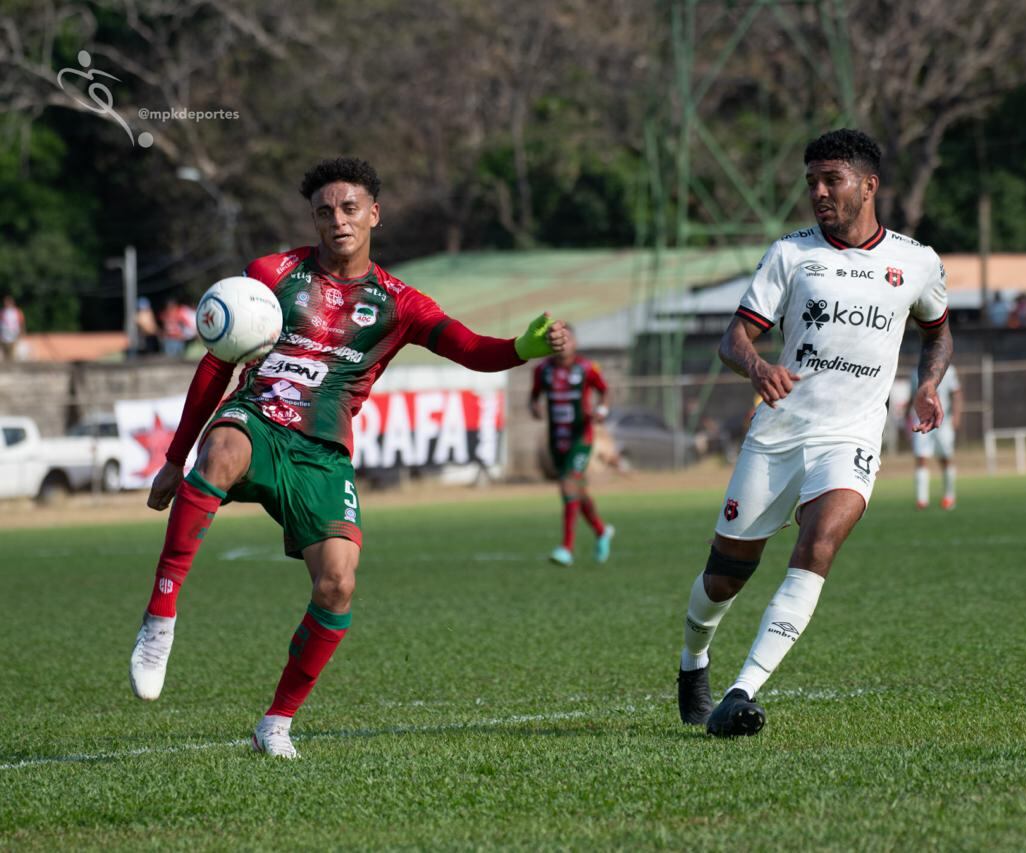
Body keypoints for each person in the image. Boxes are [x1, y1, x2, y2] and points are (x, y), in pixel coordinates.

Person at [128, 157, 567, 758]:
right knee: (224, 449)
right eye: (325, 211)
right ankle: (161, 618)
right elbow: (216, 363)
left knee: (337, 585)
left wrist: (523, 347)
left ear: (374, 215)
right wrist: (176, 459)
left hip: (322, 454)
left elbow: (468, 349)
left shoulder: (399, 304)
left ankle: (275, 723)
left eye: (350, 208)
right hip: (256, 418)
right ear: (313, 218)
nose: (337, 220)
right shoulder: (272, 273)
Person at [674, 129, 952, 737]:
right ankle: (694, 659)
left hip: (851, 437)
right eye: (812, 184)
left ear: (868, 185)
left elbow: (937, 331)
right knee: (726, 577)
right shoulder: (790, 254)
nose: (819, 193)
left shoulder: (916, 260)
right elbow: (734, 339)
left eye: (832, 181)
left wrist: (928, 383)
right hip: (778, 435)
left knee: (819, 545)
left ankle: (741, 692)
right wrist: (759, 367)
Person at [528, 325, 615, 566]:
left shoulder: (586, 368)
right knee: (577, 489)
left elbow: (604, 391)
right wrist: (534, 407)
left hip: (581, 436)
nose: (563, 344)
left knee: (568, 485)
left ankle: (566, 547)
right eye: (558, 339)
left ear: (575, 343)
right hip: (556, 439)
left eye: (568, 339)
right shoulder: (542, 370)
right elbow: (534, 396)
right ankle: (601, 530)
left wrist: (602, 409)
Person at [909, 364, 962, 509]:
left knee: (945, 458)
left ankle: (949, 496)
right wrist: (906, 417)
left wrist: (956, 416)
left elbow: (956, 393)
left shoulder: (949, 370)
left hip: (943, 422)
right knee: (921, 457)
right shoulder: (916, 371)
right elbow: (913, 395)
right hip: (922, 420)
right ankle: (922, 500)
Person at [0, 295, 25, 361]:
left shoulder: (17, 312)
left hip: (14, 335)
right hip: (3, 336)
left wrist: (21, 333)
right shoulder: (2, 312)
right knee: (5, 354)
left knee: (13, 355)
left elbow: (21, 323)